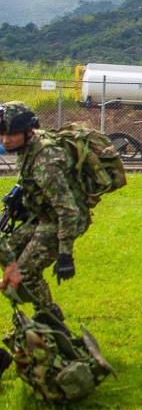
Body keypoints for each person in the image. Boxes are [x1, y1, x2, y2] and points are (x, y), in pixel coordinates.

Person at [0, 102, 90, 321]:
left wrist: (65, 253)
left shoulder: (45, 160)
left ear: (28, 131)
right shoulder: (26, 148)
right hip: (42, 215)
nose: (6, 140)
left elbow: (67, 208)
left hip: (62, 220)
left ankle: (49, 316)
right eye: (2, 134)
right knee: (7, 250)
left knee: (27, 272)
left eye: (12, 134)